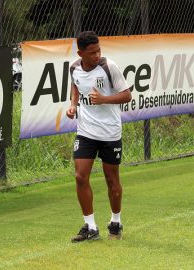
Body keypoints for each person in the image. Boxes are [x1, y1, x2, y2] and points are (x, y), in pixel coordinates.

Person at [66, 31, 131, 243]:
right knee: (80, 176)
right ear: (80, 52)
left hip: (110, 132)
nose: (97, 55)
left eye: (99, 50)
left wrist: (103, 99)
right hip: (86, 131)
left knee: (112, 180)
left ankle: (115, 221)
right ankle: (91, 227)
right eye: (92, 52)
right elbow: (76, 85)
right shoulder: (74, 68)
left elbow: (127, 95)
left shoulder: (108, 67)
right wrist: (73, 105)